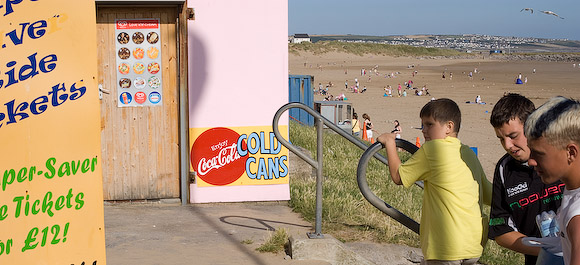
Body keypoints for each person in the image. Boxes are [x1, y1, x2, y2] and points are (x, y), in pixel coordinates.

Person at [377, 98, 492, 265]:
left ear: (449, 127)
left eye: (429, 125)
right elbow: (488, 193)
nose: (424, 130)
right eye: (423, 125)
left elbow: (398, 176)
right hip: (473, 245)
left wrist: (389, 143)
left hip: (445, 247)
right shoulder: (468, 153)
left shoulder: (432, 149)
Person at [488, 94, 563, 265]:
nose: (507, 145)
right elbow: (501, 230)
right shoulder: (504, 168)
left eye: (513, 136)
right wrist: (548, 249)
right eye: (501, 139)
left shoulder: (563, 154)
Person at [524, 97, 580, 265]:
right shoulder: (572, 189)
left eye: (538, 154)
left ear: (570, 152)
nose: (531, 161)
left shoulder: (577, 217)